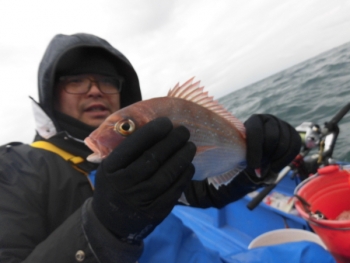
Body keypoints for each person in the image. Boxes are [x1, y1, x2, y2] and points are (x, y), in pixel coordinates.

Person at [0, 33, 303, 263]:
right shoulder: (14, 169)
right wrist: (104, 226)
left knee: (310, 253)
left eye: (107, 81)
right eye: (76, 80)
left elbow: (202, 189)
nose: (94, 90)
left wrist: (261, 161)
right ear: (51, 93)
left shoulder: (147, 146)